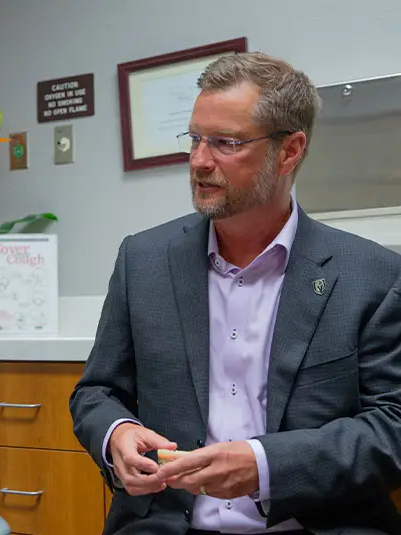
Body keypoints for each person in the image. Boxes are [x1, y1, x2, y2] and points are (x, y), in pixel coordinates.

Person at [69, 51, 401, 535]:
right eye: (195, 139)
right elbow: (96, 392)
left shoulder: (372, 274)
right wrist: (116, 434)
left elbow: (393, 425)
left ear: (290, 151)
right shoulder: (143, 260)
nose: (200, 161)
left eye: (225, 143)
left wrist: (266, 464)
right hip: (164, 523)